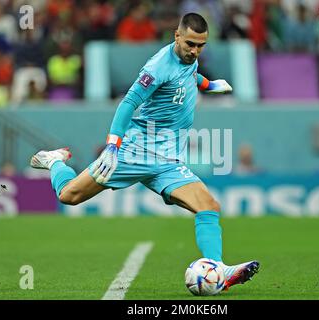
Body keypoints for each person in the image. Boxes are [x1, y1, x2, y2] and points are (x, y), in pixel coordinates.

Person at [30, 13, 259, 290]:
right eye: (190, 44)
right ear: (176, 35)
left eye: (201, 45)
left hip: (169, 161)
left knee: (208, 206)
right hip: (134, 152)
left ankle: (218, 270)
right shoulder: (157, 67)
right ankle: (55, 162)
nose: (195, 50)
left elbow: (188, 75)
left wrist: (209, 85)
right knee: (69, 195)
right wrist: (113, 146)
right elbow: (128, 103)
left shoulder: (189, 57)